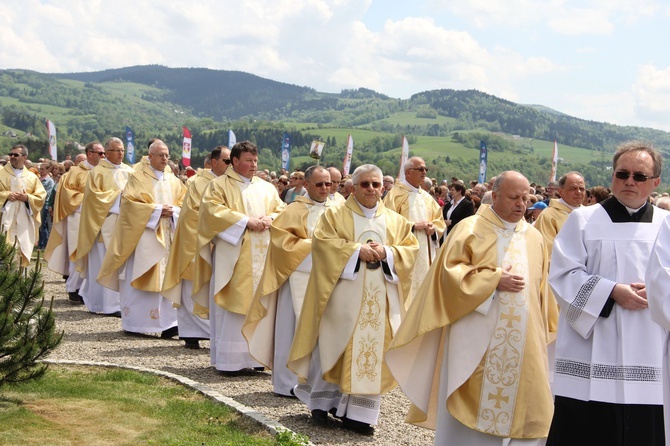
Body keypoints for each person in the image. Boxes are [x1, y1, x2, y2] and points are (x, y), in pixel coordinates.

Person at [386, 171, 554, 445]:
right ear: (495, 196)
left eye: (525, 198)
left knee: (527, 412)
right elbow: (448, 275)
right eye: (514, 198)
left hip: (523, 342)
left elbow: (541, 291)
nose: (521, 204)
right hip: (475, 337)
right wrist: (492, 280)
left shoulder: (534, 237)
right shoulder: (470, 229)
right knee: (468, 415)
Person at [548, 141, 667, 445]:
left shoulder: (666, 226)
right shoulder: (583, 220)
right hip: (591, 351)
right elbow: (562, 275)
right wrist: (611, 291)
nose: (630, 181)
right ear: (613, 176)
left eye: (639, 176)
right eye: (622, 173)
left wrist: (660, 292)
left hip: (651, 351)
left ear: (655, 182)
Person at [288, 164, 418, 436]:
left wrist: (388, 253)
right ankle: (324, 403)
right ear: (353, 187)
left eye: (376, 184)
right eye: (365, 184)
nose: (371, 189)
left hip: (379, 301)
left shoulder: (396, 221)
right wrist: (355, 251)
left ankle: (359, 414)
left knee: (371, 352)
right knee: (334, 347)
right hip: (341, 299)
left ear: (383, 187)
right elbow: (322, 244)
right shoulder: (335, 215)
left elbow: (410, 250)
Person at [192, 140, 284, 374]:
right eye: (248, 160)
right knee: (233, 305)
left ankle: (256, 357)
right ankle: (230, 361)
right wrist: (245, 221)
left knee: (259, 303)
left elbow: (282, 209)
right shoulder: (219, 185)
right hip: (234, 255)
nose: (254, 165)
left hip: (263, 255)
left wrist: (271, 218)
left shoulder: (266, 187)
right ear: (234, 161)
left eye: (255, 160)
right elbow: (211, 212)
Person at [243, 165, 334, 397]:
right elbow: (283, 245)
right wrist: (320, 247)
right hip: (297, 277)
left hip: (329, 279)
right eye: (319, 184)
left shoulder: (339, 209)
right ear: (306, 185)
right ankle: (287, 384)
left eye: (328, 184)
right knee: (290, 332)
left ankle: (315, 383)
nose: (325, 188)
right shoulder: (294, 210)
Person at [97, 140, 186, 338]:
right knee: (144, 273)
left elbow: (184, 203)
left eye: (167, 155)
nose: (164, 159)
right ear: (150, 157)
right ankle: (138, 323)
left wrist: (174, 211)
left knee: (167, 276)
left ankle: (168, 322)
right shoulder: (138, 178)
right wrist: (155, 210)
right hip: (145, 235)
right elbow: (128, 204)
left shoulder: (174, 181)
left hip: (169, 233)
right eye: (160, 155)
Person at [162, 146, 230, 349]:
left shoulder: (228, 183)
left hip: (218, 239)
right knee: (193, 286)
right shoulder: (199, 182)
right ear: (213, 162)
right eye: (226, 161)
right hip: (197, 240)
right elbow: (194, 214)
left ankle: (201, 331)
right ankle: (192, 331)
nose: (230, 165)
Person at [75, 137, 134, 316]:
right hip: (103, 225)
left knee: (122, 265)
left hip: (126, 224)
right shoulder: (97, 172)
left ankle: (121, 303)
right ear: (107, 153)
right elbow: (93, 199)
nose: (120, 154)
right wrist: (119, 197)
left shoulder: (130, 171)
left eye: (122, 150)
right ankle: (101, 304)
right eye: (117, 150)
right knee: (102, 264)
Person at [45, 144, 103, 303]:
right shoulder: (74, 173)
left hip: (101, 219)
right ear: (90, 154)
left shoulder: (104, 172)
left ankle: (91, 289)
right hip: (79, 218)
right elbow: (66, 196)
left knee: (97, 255)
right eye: (100, 153)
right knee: (78, 253)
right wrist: (89, 200)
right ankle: (74, 288)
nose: (103, 156)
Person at [383, 157, 445, 301]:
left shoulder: (427, 197)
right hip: (405, 254)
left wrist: (433, 228)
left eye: (425, 169)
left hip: (426, 254)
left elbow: (439, 221)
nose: (424, 172)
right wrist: (412, 226)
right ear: (408, 172)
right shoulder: (395, 195)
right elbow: (387, 221)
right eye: (420, 169)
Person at [0, 144, 46, 266]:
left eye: (16, 154)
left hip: (24, 218)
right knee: (6, 248)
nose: (12, 157)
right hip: (5, 217)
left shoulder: (32, 177)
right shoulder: (1, 173)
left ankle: (20, 280)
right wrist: (6, 195)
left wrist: (28, 198)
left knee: (22, 248)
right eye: (11, 154)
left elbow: (41, 196)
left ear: (24, 157)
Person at [37, 162, 55, 250]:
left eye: (43, 169)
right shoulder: (38, 179)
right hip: (37, 204)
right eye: (40, 169)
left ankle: (45, 243)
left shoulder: (49, 181)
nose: (41, 171)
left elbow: (48, 193)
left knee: (43, 224)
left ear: (47, 170)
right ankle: (40, 242)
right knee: (38, 224)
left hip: (44, 204)